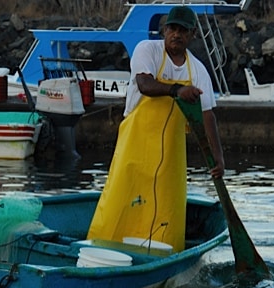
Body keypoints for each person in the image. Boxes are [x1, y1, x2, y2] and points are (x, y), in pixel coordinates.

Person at [87, 5, 225, 253]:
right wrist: (176, 91)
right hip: (135, 144)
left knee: (166, 207)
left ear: (192, 34)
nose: (177, 34)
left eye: (183, 30)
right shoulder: (147, 50)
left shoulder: (198, 70)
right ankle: (103, 248)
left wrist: (217, 157)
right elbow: (144, 83)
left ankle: (163, 254)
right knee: (120, 198)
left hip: (170, 153)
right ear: (164, 30)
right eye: (173, 28)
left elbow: (207, 115)